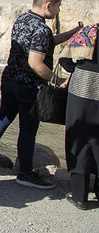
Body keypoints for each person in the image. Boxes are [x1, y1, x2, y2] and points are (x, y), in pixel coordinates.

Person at [0, 0, 82, 189]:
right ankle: (25, 173)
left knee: (3, 117)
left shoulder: (23, 20)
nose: (58, 11)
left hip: (10, 81)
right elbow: (36, 62)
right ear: (49, 5)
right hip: (28, 87)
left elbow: (46, 43)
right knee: (28, 129)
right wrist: (58, 81)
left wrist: (72, 33)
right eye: (58, 7)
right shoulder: (42, 28)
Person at [60, 23, 99, 210]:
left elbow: (65, 60)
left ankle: (79, 196)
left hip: (83, 88)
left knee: (79, 139)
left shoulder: (90, 31)